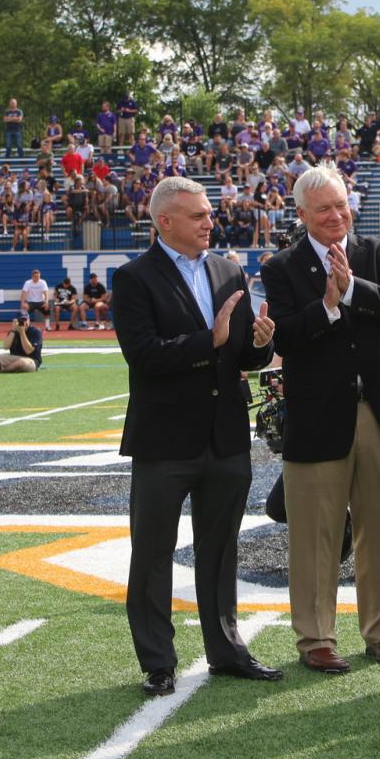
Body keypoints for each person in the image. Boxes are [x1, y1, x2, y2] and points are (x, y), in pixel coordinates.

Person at [112, 175, 280, 697]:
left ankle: (226, 651)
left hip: (226, 435)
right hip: (165, 440)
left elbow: (242, 358)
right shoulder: (134, 278)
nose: (211, 221)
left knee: (220, 550)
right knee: (154, 553)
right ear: (165, 222)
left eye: (209, 213)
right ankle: (158, 662)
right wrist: (210, 340)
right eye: (199, 215)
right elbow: (143, 355)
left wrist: (259, 344)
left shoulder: (228, 271)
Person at [260, 166, 380, 675]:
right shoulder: (282, 267)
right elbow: (283, 338)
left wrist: (352, 291)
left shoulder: (375, 252)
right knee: (314, 534)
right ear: (303, 215)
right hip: (315, 416)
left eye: (341, 204)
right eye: (324, 209)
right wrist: (328, 307)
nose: (336, 216)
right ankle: (316, 639)